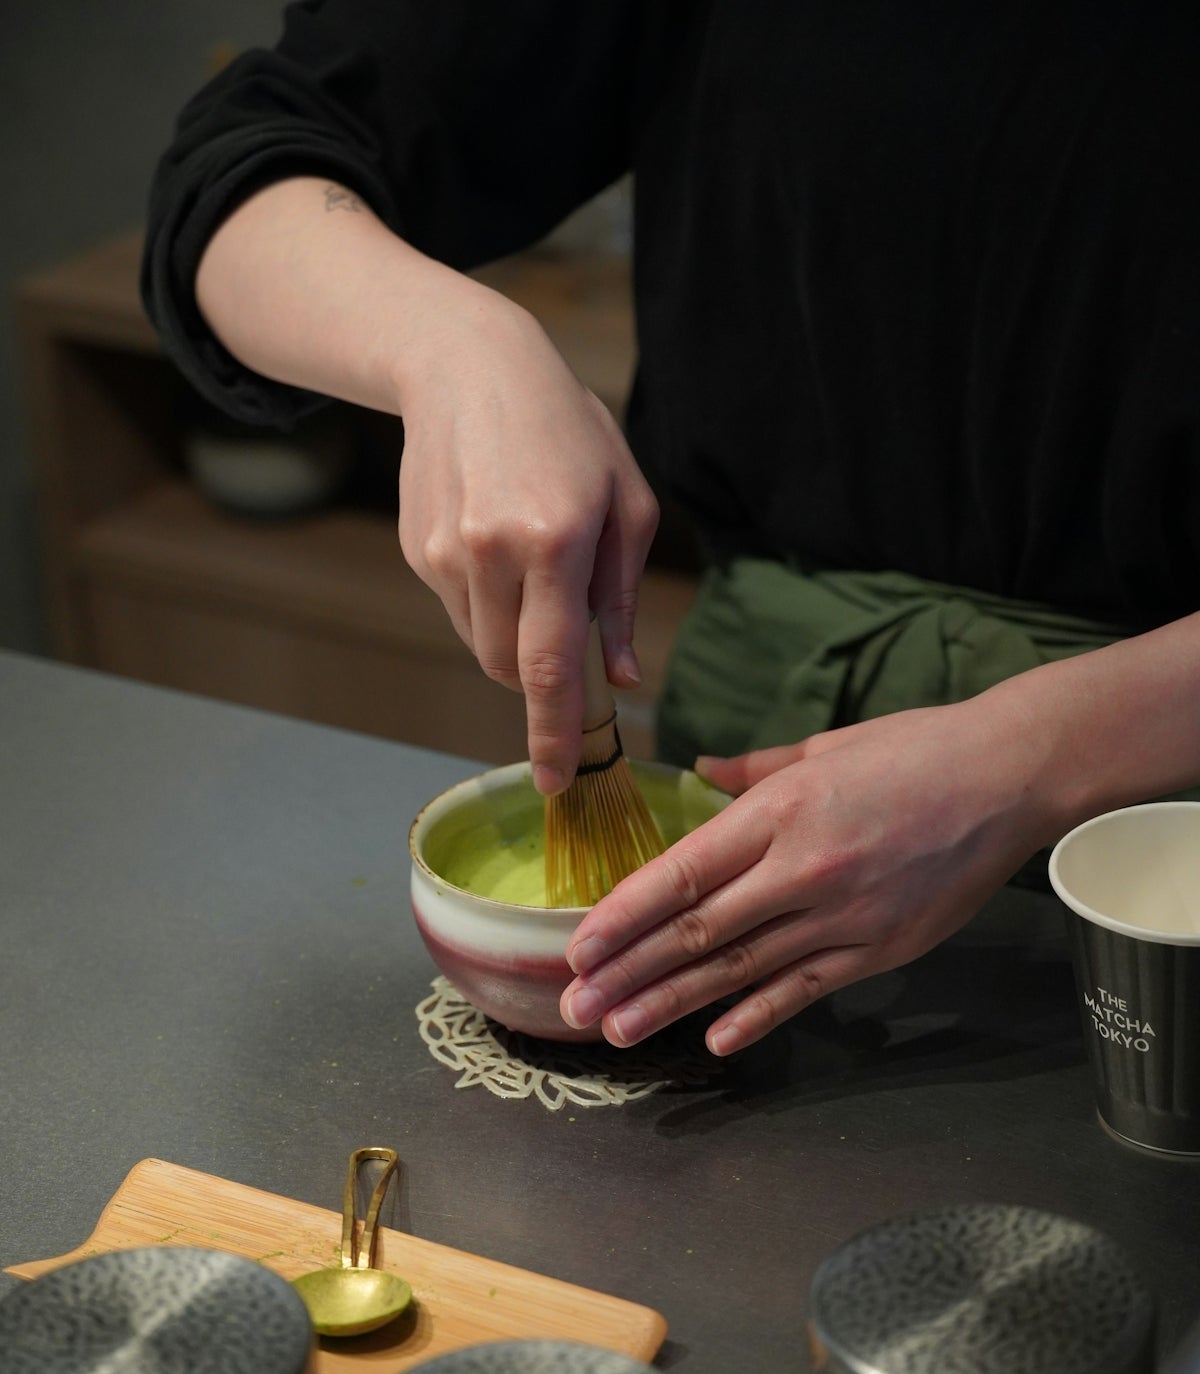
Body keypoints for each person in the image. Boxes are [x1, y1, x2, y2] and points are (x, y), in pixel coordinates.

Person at [143, 1, 1200, 1059]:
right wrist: (455, 349)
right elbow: (240, 178)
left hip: (1167, 812)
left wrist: (1028, 761)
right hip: (761, 743)